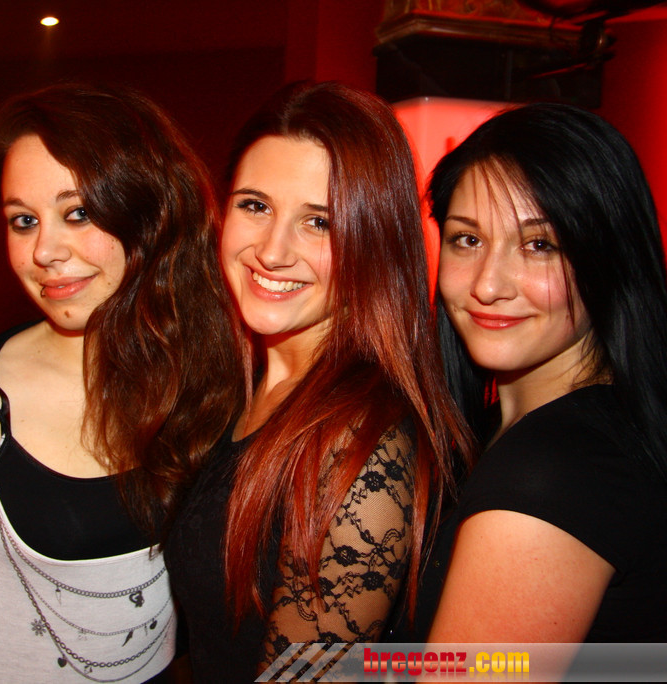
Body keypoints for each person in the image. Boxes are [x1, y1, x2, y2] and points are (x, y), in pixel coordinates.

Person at [0, 83, 244, 682]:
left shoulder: (219, 377)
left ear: (148, 210)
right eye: (23, 221)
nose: (44, 250)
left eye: (77, 213)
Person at [164, 80, 473, 681]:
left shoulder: (360, 444)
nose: (273, 251)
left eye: (319, 222)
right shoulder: (235, 386)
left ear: (373, 241)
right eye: (255, 206)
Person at [405, 103, 667, 644]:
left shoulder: (554, 469)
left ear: (609, 258)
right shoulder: (507, 431)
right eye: (467, 239)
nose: (488, 284)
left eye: (539, 245)